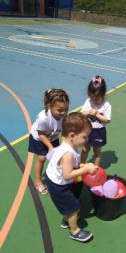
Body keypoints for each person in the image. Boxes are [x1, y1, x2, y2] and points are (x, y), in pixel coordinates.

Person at [45, 112, 98, 243]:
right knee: (75, 208)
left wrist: (82, 165)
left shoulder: (69, 144)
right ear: (72, 136)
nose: (87, 140)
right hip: (58, 185)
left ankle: (66, 219)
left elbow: (71, 165)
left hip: (55, 179)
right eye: (85, 137)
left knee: (69, 204)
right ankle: (74, 231)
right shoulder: (68, 153)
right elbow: (67, 174)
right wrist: (85, 169)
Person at [28, 89, 69, 194]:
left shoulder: (64, 116)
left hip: (53, 137)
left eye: (66, 109)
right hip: (39, 138)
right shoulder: (44, 118)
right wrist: (50, 147)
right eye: (59, 110)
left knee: (57, 158)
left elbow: (64, 131)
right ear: (50, 106)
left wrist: (65, 145)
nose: (63, 112)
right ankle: (38, 181)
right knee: (42, 158)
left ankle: (55, 177)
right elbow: (41, 134)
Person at [80, 75, 111, 166]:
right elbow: (82, 114)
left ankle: (95, 168)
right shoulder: (88, 102)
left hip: (99, 131)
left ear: (103, 94)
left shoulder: (106, 105)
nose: (94, 100)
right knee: (85, 149)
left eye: (97, 98)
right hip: (87, 130)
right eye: (92, 97)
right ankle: (81, 165)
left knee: (97, 152)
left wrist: (97, 114)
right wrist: (87, 112)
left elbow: (107, 120)